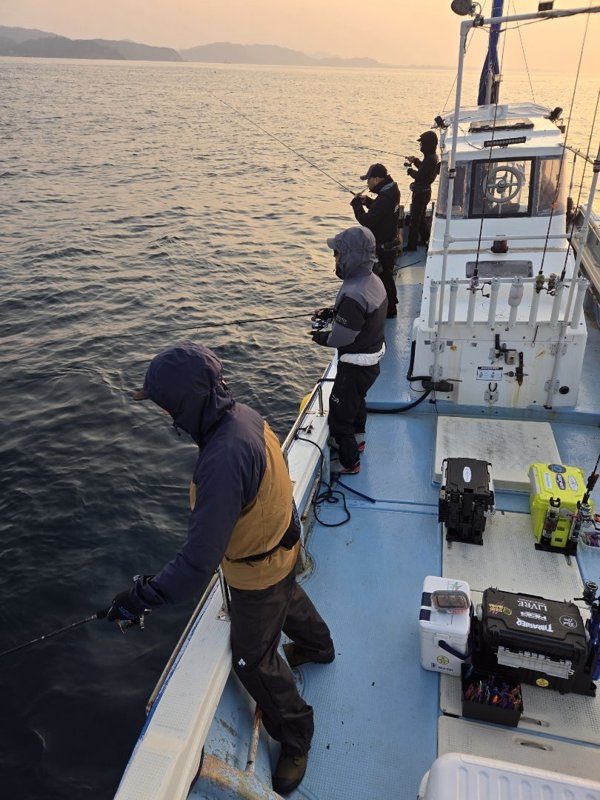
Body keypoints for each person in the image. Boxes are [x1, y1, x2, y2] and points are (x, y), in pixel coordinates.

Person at [106, 342, 334, 795]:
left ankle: (297, 735)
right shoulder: (243, 415)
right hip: (283, 544)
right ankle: (319, 646)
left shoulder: (220, 463)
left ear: (186, 405)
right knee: (289, 596)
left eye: (169, 407)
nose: (169, 417)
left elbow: (195, 566)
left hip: (257, 572)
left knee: (252, 658)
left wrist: (140, 596)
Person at [311, 226, 387, 474]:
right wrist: (333, 313)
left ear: (350, 256)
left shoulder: (353, 293)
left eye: (337, 253)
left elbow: (341, 338)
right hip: (370, 361)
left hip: (354, 365)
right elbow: (360, 316)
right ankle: (360, 439)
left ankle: (349, 463)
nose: (335, 258)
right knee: (356, 400)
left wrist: (319, 337)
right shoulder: (372, 280)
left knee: (339, 417)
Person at [350, 163, 401, 318]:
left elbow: (368, 221)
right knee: (387, 275)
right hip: (390, 242)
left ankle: (390, 310)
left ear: (377, 179)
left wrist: (357, 206)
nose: (367, 183)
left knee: (383, 278)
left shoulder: (385, 197)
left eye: (369, 180)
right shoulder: (392, 190)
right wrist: (367, 201)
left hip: (384, 247)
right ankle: (393, 303)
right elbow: (381, 210)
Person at [405, 130, 439, 251]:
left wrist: (409, 170)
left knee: (415, 220)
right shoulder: (431, 157)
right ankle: (426, 239)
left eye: (422, 143)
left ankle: (411, 246)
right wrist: (415, 161)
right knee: (421, 218)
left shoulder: (430, 159)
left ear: (428, 145)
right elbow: (423, 170)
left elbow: (419, 176)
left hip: (421, 194)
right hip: (424, 193)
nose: (420, 145)